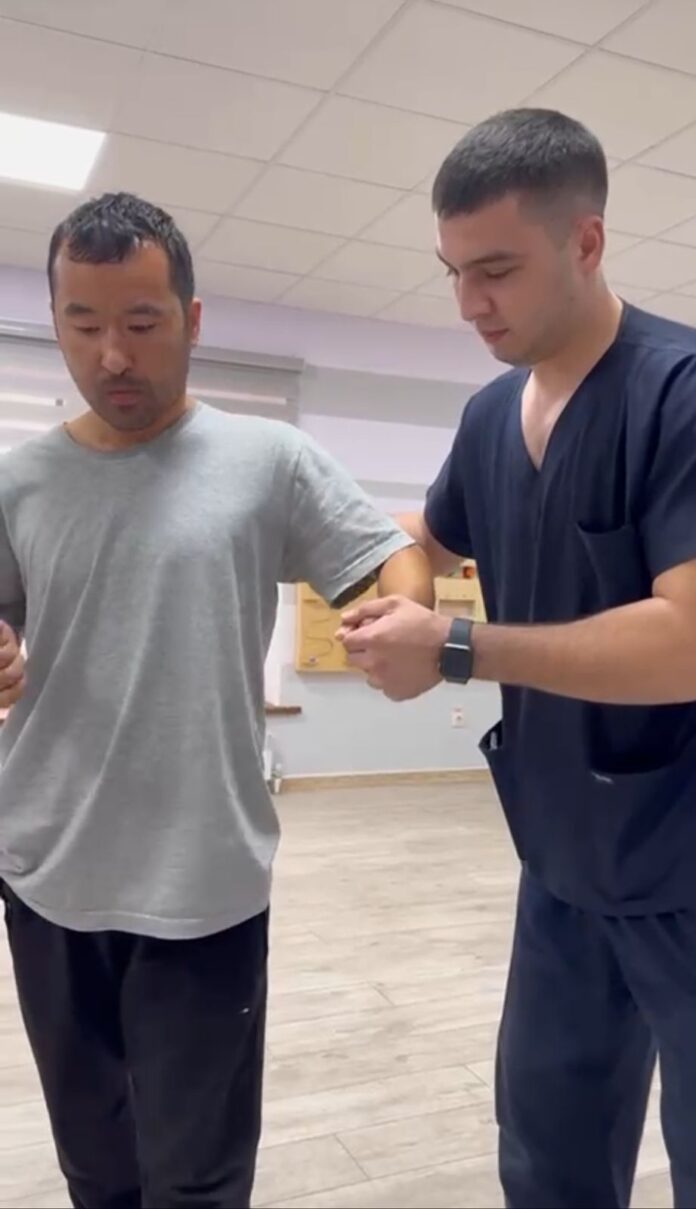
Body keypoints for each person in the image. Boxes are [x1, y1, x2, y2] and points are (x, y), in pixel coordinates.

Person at [0, 191, 433, 1209]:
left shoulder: (267, 461)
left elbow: (391, 557)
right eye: (83, 325)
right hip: (45, 871)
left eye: (142, 323)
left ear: (192, 320)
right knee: (96, 1169)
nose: (113, 355)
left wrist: (405, 615)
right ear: (56, 321)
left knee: (197, 1179)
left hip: (204, 882)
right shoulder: (18, 480)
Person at [340, 107, 696, 1209]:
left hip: (682, 855)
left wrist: (454, 646)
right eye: (453, 273)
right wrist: (386, 588)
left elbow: (688, 639)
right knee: (546, 1149)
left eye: (495, 270)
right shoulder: (491, 415)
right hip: (561, 857)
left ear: (586, 242)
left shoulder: (677, 393)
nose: (468, 304)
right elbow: (428, 537)